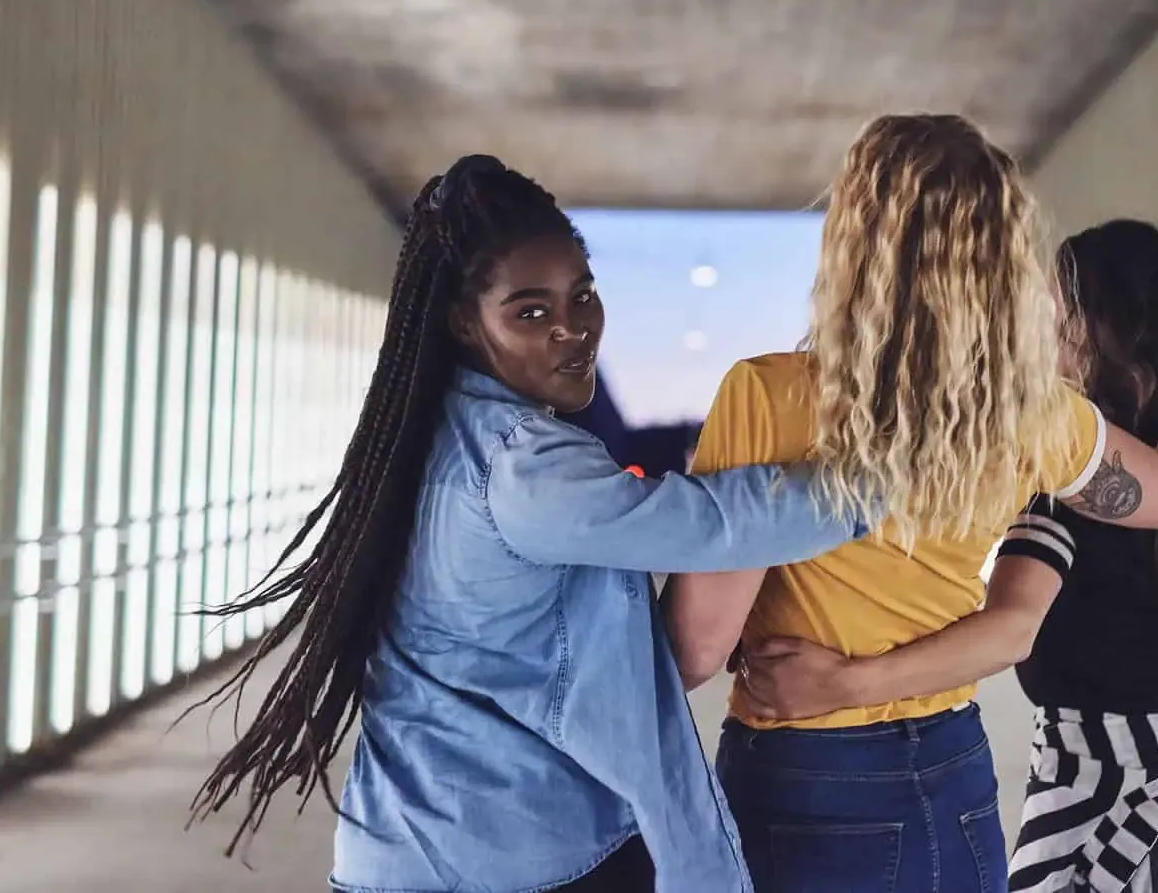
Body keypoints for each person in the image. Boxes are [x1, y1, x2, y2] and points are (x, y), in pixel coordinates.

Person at [186, 155, 877, 893]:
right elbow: (711, 523)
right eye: (531, 311)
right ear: (463, 321)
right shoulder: (521, 467)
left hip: (391, 857)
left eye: (583, 296)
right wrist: (888, 478)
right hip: (521, 860)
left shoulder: (424, 437)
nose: (573, 330)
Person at [737, 218, 1158, 893]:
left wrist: (846, 683)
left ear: (1096, 328)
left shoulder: (1072, 474)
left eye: (1060, 309)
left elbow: (1013, 625)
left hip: (1122, 783)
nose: (1043, 326)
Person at [662, 118, 1158, 893]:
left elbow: (696, 647)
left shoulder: (768, 397)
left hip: (808, 772)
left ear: (856, 245)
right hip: (954, 765)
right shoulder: (1037, 417)